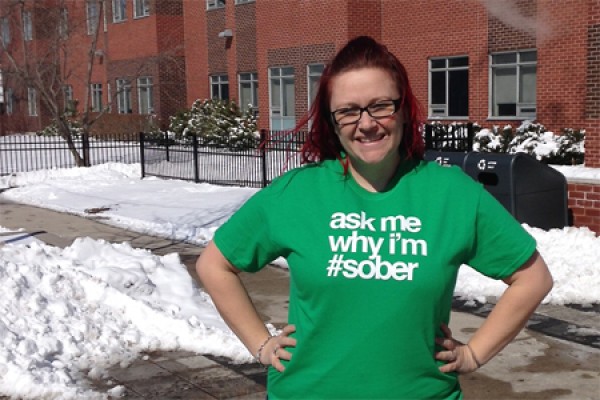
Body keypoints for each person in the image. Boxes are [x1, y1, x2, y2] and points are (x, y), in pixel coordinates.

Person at [196, 36, 553, 399]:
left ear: (403, 110)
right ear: (333, 122)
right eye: (348, 111)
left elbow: (532, 278)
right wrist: (261, 345)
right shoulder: (297, 193)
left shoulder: (451, 194)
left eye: (380, 105)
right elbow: (215, 265)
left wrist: (474, 354)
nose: (366, 123)